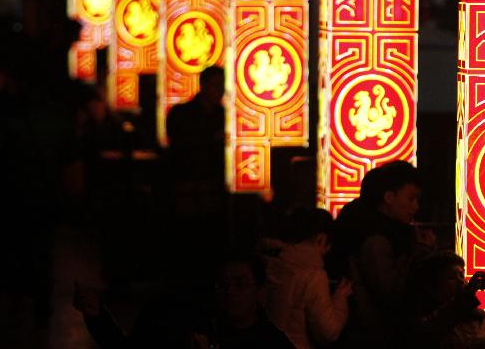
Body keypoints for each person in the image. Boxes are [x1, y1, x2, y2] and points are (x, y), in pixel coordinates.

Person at [73, 254, 295, 349]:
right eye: (223, 284)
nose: (230, 292)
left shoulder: (271, 342)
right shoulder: (195, 325)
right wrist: (97, 317)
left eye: (240, 284)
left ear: (259, 289)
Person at [335, 160, 435, 348]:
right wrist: (421, 250)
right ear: (389, 197)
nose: (416, 207)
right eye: (410, 198)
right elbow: (391, 292)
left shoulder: (391, 232)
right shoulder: (375, 237)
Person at [164, 65, 227, 282]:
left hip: (215, 191)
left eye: (222, 86)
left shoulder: (225, 116)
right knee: (187, 238)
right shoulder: (181, 113)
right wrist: (212, 140)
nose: (220, 91)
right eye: (216, 86)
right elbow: (179, 146)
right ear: (204, 86)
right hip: (186, 189)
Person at [262, 207, 352, 348]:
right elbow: (328, 332)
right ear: (321, 239)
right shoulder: (313, 275)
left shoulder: (271, 262)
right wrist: (340, 298)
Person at [405, 250, 485, 349]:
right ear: (432, 288)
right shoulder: (426, 321)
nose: (461, 280)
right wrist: (467, 295)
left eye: (461, 275)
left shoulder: (484, 320)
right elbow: (431, 331)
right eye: (451, 277)